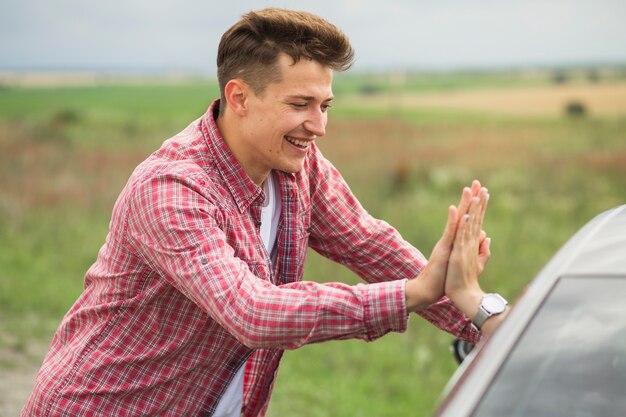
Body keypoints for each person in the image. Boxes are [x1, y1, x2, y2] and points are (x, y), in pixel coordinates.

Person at [22, 8, 508, 417]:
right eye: (300, 104)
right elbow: (253, 312)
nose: (318, 126)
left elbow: (371, 244)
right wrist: (411, 294)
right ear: (239, 97)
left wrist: (490, 321)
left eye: (325, 105)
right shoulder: (171, 188)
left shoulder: (299, 167)